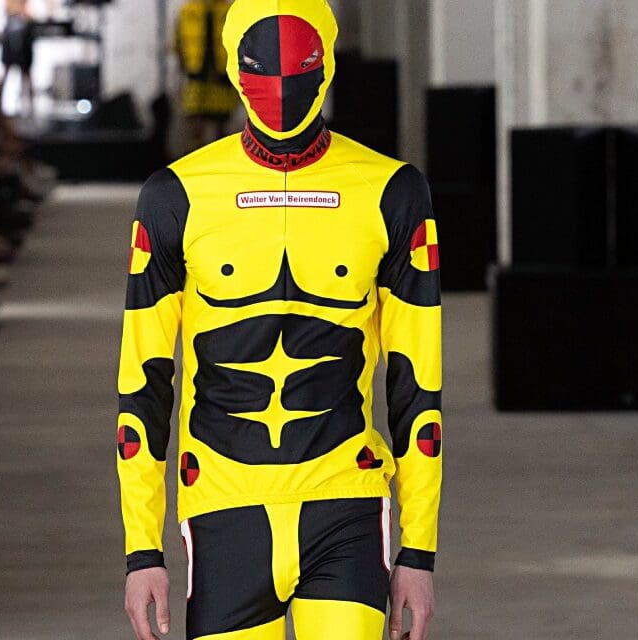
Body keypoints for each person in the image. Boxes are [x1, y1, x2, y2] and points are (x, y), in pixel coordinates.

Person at [117, 1, 442, 639]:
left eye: (300, 66)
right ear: (236, 70)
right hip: (224, 508)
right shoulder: (175, 196)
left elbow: (417, 382)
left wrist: (419, 552)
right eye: (264, 68)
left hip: (345, 503)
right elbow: (143, 381)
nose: (282, 86)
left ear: (327, 65)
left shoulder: (392, 191)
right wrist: (141, 550)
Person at [175, 0, 239, 151]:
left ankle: (221, 156)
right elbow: (178, 40)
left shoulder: (229, 10)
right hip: (196, 72)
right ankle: (195, 154)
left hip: (222, 73)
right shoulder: (187, 10)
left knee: (221, 119)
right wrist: (183, 63)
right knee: (194, 116)